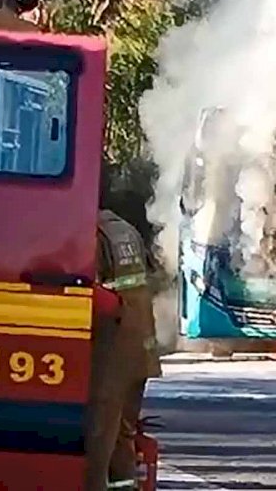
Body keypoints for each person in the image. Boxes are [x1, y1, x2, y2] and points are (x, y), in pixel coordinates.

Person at [85, 209, 161, 491]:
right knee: (122, 438)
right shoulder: (124, 228)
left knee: (98, 441)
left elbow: (90, 294)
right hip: (141, 350)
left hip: (113, 351)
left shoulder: (91, 234)